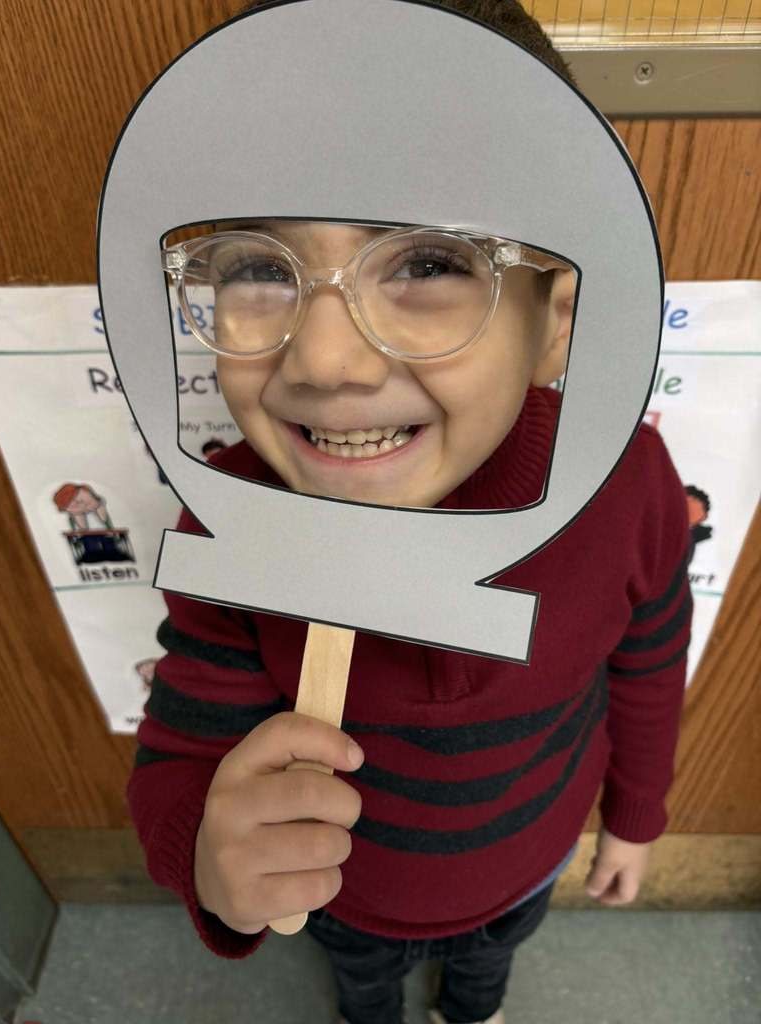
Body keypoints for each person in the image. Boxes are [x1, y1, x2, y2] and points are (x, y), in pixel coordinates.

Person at [126, 3, 692, 1024]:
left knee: (484, 981)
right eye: (260, 266)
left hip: (528, 865)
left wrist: (636, 819)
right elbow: (181, 752)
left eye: (430, 263)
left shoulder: (627, 483)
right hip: (348, 903)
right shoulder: (236, 525)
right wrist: (213, 860)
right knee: (363, 992)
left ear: (555, 320)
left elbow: (648, 661)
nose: (326, 361)